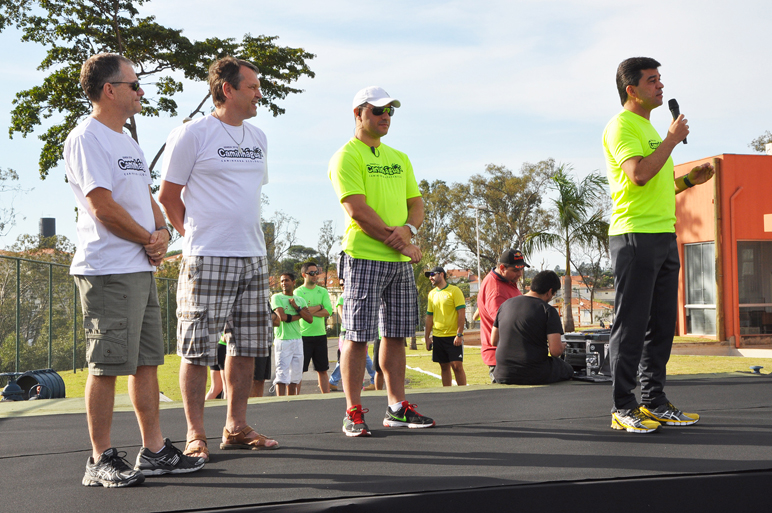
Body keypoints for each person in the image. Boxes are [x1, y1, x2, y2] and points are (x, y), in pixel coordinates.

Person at [65, 53, 204, 487]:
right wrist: (148, 240)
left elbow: (145, 198)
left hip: (138, 267)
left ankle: (155, 450)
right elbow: (102, 206)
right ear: (109, 90)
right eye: (133, 84)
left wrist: (161, 230)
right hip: (107, 270)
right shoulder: (87, 137)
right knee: (106, 365)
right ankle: (99, 460)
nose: (140, 91)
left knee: (146, 363)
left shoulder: (127, 140)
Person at [158, 56, 279, 459]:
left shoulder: (259, 137)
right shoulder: (192, 135)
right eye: (252, 86)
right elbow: (168, 197)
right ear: (227, 89)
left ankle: (236, 426)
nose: (259, 93)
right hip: (207, 257)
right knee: (197, 349)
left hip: (253, 257)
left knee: (246, 348)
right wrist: (190, 236)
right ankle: (196, 435)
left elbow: (247, 197)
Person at [603, 57, 714, 433]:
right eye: (652, 81)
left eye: (660, 80)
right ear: (632, 90)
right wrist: (670, 138)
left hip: (664, 236)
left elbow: (657, 182)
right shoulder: (621, 127)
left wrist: (689, 182)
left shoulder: (649, 130)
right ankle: (622, 406)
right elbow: (638, 175)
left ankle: (654, 401)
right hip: (634, 236)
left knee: (662, 325)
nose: (660, 86)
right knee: (631, 325)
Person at [329, 86, 435, 436]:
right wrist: (402, 244)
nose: (385, 115)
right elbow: (358, 210)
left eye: (390, 110)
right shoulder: (346, 156)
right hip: (363, 258)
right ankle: (353, 411)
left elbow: (416, 205)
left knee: (396, 335)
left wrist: (407, 229)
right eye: (377, 110)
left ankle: (396, 408)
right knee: (358, 336)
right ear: (358, 114)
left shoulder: (400, 157)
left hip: (398, 263)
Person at [491, 270, 573, 385]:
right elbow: (555, 351)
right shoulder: (548, 310)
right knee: (567, 368)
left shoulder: (505, 305)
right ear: (549, 292)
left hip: (502, 373)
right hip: (533, 373)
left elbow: (494, 340)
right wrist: (562, 347)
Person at [477, 249, 529, 382]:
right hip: (501, 358)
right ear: (502, 268)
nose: (520, 274)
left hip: (509, 354)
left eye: (521, 269)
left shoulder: (506, 281)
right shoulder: (496, 291)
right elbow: (505, 326)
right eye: (516, 270)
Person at [329, 277, 376, 391]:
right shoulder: (342, 297)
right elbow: (342, 317)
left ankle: (334, 381)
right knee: (347, 358)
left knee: (359, 357)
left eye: (345, 283)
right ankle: (334, 381)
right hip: (346, 333)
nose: (343, 286)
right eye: (341, 285)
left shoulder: (359, 295)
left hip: (359, 332)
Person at [424, 267, 467, 386]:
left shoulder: (454, 291)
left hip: (453, 336)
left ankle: (464, 392)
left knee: (457, 366)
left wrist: (459, 333)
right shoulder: (431, 294)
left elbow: (461, 313)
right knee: (443, 366)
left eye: (432, 274)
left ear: (441, 274)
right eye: (429, 276)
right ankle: (447, 393)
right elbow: (429, 316)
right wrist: (427, 337)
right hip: (438, 336)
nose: (430, 278)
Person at [271, 272, 312, 395]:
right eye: (282, 281)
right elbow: (282, 317)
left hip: (297, 340)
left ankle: (292, 402)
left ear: (293, 282)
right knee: (282, 374)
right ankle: (281, 402)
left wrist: (296, 307)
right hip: (283, 340)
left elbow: (309, 319)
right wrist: (300, 315)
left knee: (295, 375)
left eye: (287, 280)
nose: (284, 283)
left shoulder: (300, 300)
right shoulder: (276, 297)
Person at [294, 262, 333, 393]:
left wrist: (308, 311)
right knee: (299, 370)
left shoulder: (322, 291)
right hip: (303, 336)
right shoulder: (298, 292)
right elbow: (300, 312)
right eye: (311, 273)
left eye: (316, 272)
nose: (315, 275)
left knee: (322, 370)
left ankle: (326, 398)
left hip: (320, 336)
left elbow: (328, 311)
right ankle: (295, 398)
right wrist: (319, 307)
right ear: (304, 275)